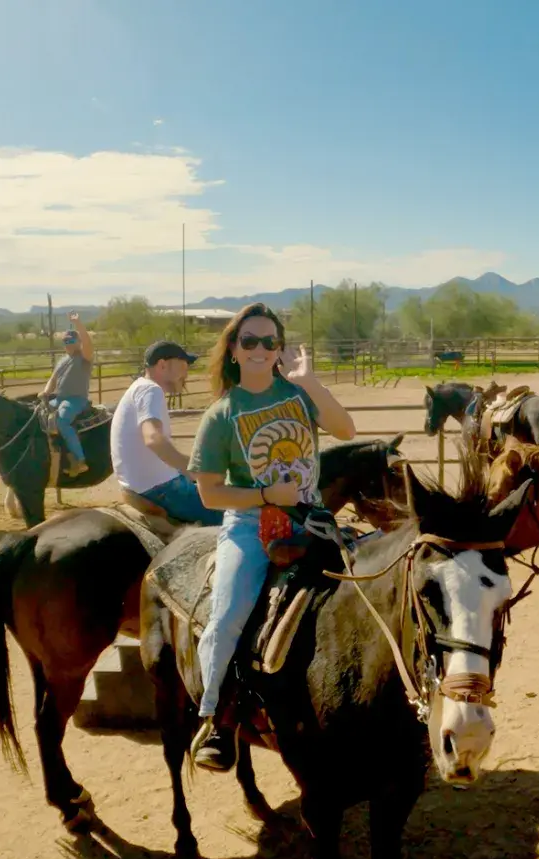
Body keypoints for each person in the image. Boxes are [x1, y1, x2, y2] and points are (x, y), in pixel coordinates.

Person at [187, 302, 356, 771]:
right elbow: (209, 494)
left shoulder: (298, 394)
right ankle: (216, 719)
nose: (260, 349)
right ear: (235, 350)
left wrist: (310, 382)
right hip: (249, 526)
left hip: (312, 517)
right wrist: (264, 494)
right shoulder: (221, 416)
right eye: (250, 341)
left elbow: (345, 428)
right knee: (229, 616)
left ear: (279, 349)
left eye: (269, 342)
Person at [110, 340, 223, 526]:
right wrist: (193, 468)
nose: (186, 373)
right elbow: (153, 438)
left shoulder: (139, 388)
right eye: (183, 365)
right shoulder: (151, 390)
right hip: (160, 487)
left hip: (138, 485)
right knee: (234, 513)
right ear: (163, 365)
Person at [38, 311, 94, 476]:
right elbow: (53, 379)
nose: (68, 343)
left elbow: (88, 343)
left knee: (62, 421)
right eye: (65, 341)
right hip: (60, 398)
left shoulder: (84, 358)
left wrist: (78, 324)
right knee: (38, 414)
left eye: (72, 340)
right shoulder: (62, 360)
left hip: (76, 400)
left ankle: (79, 460)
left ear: (78, 342)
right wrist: (46, 392)